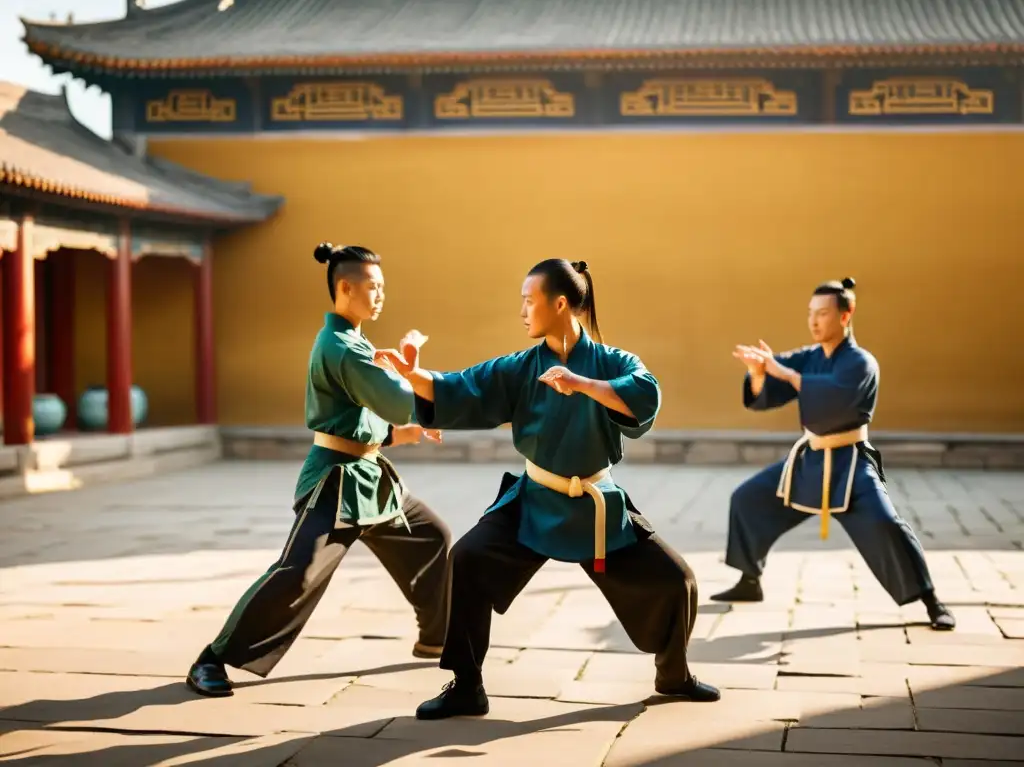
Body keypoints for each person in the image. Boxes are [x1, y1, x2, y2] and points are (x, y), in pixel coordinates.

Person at [376, 258, 721, 721]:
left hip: (597, 509)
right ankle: (465, 685)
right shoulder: (521, 367)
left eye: (528, 300)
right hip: (535, 501)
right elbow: (465, 387)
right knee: (468, 559)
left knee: (676, 580)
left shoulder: (613, 362)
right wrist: (414, 376)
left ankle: (673, 675)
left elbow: (643, 394)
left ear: (560, 304)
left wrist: (582, 384)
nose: (521, 310)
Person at [185, 243, 452, 697]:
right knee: (299, 572)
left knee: (432, 537)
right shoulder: (341, 346)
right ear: (345, 288)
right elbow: (392, 399)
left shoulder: (356, 341)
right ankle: (211, 659)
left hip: (371, 478)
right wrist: (411, 371)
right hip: (335, 481)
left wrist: (404, 434)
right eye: (373, 287)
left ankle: (436, 639)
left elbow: (365, 417)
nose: (380, 295)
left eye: (383, 287)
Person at [710, 277, 956, 632]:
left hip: (851, 464)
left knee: (886, 524)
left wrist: (790, 376)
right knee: (748, 499)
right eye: (811, 313)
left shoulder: (861, 363)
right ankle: (750, 580)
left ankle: (931, 600)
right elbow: (771, 389)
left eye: (822, 314)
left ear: (845, 315)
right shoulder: (809, 357)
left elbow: (835, 397)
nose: (813, 321)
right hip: (810, 459)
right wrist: (758, 373)